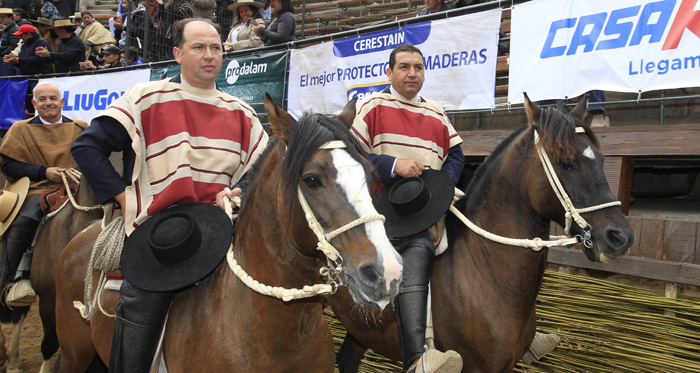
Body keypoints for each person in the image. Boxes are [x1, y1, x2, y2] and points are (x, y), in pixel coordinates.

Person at [71, 18, 269, 372]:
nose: (209, 56)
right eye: (198, 48)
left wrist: (242, 191)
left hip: (224, 227)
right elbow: (87, 147)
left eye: (216, 48)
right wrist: (122, 198)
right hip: (160, 229)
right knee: (144, 296)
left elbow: (259, 172)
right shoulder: (146, 97)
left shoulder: (244, 114)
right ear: (177, 53)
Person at [351, 44, 464, 373]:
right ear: (389, 72)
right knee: (417, 246)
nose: (412, 73)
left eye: (418, 67)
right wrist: (392, 164)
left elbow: (456, 154)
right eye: (404, 67)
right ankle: (417, 359)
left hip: (429, 205)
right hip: (385, 209)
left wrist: (442, 185)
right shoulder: (372, 105)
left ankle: (522, 334)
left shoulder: (437, 111)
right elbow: (350, 154)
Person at [0, 82, 87, 308]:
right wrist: (43, 171)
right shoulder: (20, 129)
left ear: (62, 102)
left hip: (78, 186)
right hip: (37, 187)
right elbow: (9, 166)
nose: (48, 103)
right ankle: (13, 278)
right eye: (42, 99)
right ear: (34, 103)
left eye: (52, 98)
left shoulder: (80, 127)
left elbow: (94, 158)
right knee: (24, 220)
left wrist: (75, 172)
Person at [0, 8, 20, 76]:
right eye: (0, 17)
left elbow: (13, 46)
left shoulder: (14, 29)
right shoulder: (6, 29)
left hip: (8, 60)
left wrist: (2, 54)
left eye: (3, 17)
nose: (1, 19)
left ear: (11, 17)